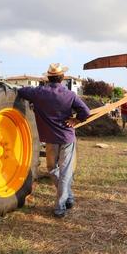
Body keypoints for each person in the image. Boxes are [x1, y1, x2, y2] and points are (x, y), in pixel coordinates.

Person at [18, 63, 90, 218]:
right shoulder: (70, 95)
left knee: (52, 169)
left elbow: (21, 91)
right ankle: (67, 197)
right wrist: (76, 120)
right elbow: (86, 111)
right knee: (64, 171)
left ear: (47, 78)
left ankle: (60, 205)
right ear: (62, 78)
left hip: (50, 139)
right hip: (67, 137)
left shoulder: (38, 92)